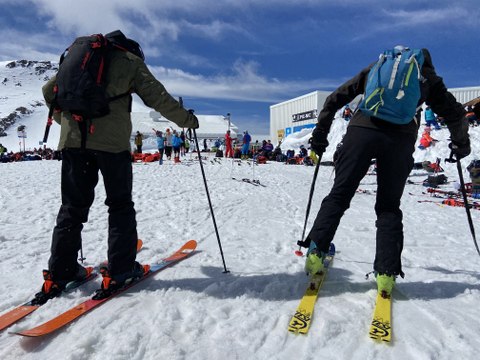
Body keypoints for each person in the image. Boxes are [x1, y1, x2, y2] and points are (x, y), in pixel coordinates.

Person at [37, 30, 199, 302]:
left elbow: (47, 91)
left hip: (74, 143)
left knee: (72, 208)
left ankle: (61, 272)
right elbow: (158, 98)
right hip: (112, 147)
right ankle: (121, 270)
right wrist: (188, 121)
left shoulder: (79, 58)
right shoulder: (129, 61)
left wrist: (64, 118)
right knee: (120, 205)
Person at [305, 46, 470, 297]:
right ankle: (386, 273)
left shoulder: (376, 69)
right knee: (388, 206)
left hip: (361, 132)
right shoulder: (428, 79)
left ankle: (316, 251)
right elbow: (455, 115)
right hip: (400, 139)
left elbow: (336, 98)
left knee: (340, 194)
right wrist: (461, 144)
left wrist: (320, 135)